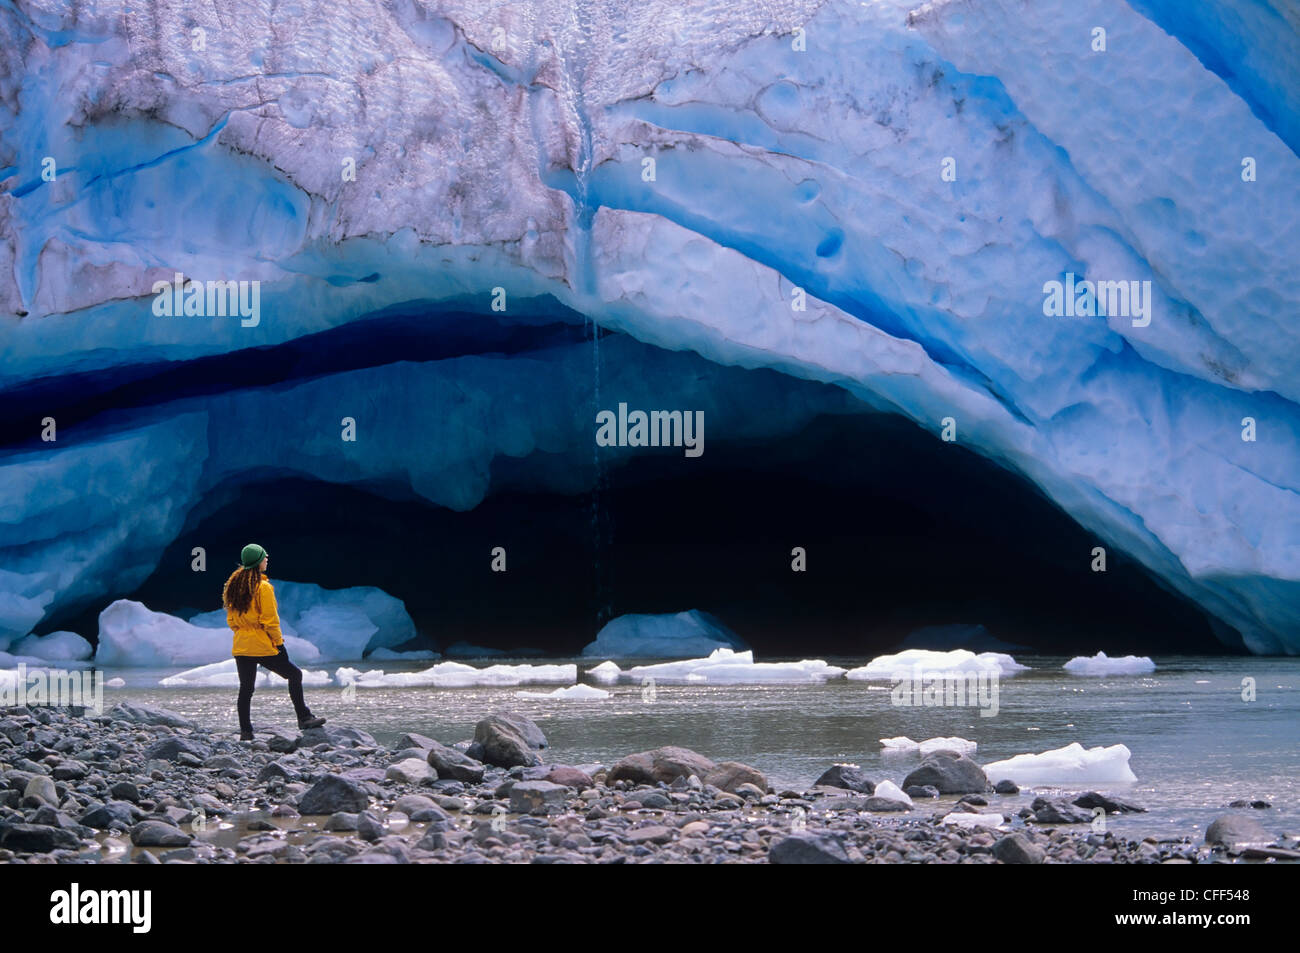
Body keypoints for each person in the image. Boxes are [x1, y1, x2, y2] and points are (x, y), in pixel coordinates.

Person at [222, 543, 325, 741]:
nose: (267, 558)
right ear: (257, 560)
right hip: (262, 645)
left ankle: (246, 732)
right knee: (295, 674)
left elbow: (232, 621)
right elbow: (270, 620)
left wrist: (244, 633)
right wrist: (279, 644)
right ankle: (304, 718)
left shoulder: (233, 586)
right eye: (264, 556)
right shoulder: (264, 588)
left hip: (241, 645)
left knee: (246, 688)